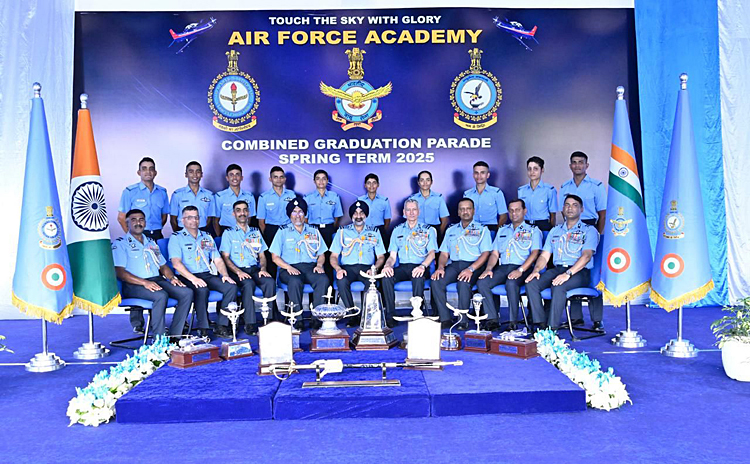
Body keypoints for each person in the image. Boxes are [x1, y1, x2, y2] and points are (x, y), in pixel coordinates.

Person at [525, 194, 600, 330]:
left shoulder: (589, 231)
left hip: (578, 272)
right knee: (532, 283)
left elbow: (586, 256)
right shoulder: (555, 231)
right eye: (567, 205)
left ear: (581, 209)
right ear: (563, 209)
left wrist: (568, 274)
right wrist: (536, 270)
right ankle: (540, 324)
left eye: (575, 205)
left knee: (558, 287)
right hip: (557, 269)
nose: (570, 208)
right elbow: (544, 256)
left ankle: (551, 329)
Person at [112, 209, 192, 337]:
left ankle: (175, 335)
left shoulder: (151, 242)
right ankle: (159, 338)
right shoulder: (120, 244)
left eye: (141, 220)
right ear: (127, 224)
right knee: (161, 295)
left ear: (145, 223)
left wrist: (172, 278)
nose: (138, 223)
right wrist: (144, 282)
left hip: (156, 280)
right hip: (134, 285)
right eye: (134, 220)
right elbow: (120, 272)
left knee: (186, 293)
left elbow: (162, 265)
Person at [169, 206, 237, 339]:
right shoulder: (176, 238)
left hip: (206, 274)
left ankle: (222, 325)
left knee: (231, 287)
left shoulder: (206, 237)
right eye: (189, 218)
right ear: (182, 220)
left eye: (196, 217)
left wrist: (225, 275)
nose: (194, 221)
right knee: (202, 289)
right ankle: (203, 327)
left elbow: (217, 259)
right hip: (187, 276)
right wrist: (193, 279)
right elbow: (176, 263)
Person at [476, 199, 542, 330]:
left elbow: (535, 253)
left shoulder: (533, 230)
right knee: (483, 282)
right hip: (503, 268)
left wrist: (520, 270)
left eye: (517, 210)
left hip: (524, 268)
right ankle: (492, 319)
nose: (514, 213)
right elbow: (495, 254)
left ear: (524, 211)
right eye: (511, 211)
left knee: (511, 283)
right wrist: (488, 268)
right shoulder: (502, 230)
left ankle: (513, 322)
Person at [431, 198, 492, 329]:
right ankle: (445, 318)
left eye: (468, 209)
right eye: (462, 209)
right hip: (454, 265)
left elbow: (486, 254)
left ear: (473, 211)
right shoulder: (451, 230)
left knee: (463, 282)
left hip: (474, 265)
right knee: (436, 281)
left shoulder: (482, 230)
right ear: (458, 212)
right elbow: (444, 254)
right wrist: (440, 267)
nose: (465, 212)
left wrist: (471, 269)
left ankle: (462, 320)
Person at [269, 197, 329, 328]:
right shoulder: (282, 231)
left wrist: (319, 265)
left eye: (301, 212)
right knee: (295, 281)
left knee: (323, 279)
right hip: (288, 268)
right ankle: (297, 318)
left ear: (305, 214)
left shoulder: (314, 231)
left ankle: (317, 317)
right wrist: (288, 267)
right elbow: (275, 257)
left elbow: (321, 253)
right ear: (289, 215)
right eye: (294, 212)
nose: (298, 215)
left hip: (310, 267)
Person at [219, 200, 276, 335]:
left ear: (249, 213)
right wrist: (238, 272)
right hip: (237, 271)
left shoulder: (255, 232)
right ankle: (250, 323)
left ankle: (270, 319)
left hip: (254, 269)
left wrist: (263, 269)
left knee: (269, 282)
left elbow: (262, 255)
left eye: (245, 210)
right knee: (248, 284)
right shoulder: (228, 233)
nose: (242, 213)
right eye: (238, 210)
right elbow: (225, 257)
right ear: (233, 214)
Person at [329, 201, 386, 326]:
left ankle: (367, 315)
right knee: (341, 281)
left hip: (367, 268)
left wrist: (375, 268)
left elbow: (381, 257)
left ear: (366, 215)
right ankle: (352, 314)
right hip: (347, 268)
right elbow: (333, 256)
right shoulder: (342, 232)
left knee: (371, 283)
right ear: (351, 215)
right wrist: (338, 269)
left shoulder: (374, 232)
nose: (358, 216)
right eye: (355, 213)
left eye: (362, 213)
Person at [382, 198, 438, 322]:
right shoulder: (397, 230)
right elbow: (392, 256)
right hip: (403, 267)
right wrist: (387, 266)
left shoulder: (428, 230)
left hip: (421, 266)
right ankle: (390, 315)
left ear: (419, 211)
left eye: (414, 209)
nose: (411, 213)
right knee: (386, 277)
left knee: (418, 277)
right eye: (408, 210)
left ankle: (417, 314)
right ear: (404, 212)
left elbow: (432, 254)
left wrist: (422, 266)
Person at [117, 157, 169, 240]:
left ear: (155, 173)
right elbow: (121, 218)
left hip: (157, 235)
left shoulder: (162, 192)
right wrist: (132, 236)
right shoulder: (129, 192)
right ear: (139, 172)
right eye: (144, 169)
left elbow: (164, 217)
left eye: (151, 169)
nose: (148, 172)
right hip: (138, 234)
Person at [560, 151, 606, 234]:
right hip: (570, 227)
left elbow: (603, 214)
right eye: (574, 162)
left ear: (586, 165)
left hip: (590, 226)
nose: (577, 166)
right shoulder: (564, 187)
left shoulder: (596, 186)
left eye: (580, 162)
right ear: (570, 166)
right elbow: (563, 211)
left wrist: (597, 234)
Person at [169, 161, 216, 234]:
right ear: (186, 174)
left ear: (201, 174)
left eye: (198, 172)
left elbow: (210, 218)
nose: (195, 174)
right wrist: (179, 235)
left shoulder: (209, 195)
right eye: (191, 172)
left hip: (203, 231)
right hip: (183, 231)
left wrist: (203, 234)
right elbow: (173, 219)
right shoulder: (177, 195)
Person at [463, 161, 508, 233]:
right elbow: (464, 216)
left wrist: (497, 233)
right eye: (476, 173)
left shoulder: (497, 193)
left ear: (488, 175)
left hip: (491, 229)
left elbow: (503, 216)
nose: (479, 176)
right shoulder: (467, 194)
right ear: (473, 175)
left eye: (482, 173)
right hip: (472, 230)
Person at [303, 169, 343, 248]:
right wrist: (309, 229)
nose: (321, 181)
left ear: (327, 181)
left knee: (329, 253)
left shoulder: (334, 197)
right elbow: (305, 218)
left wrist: (331, 228)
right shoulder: (307, 198)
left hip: (329, 230)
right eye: (318, 179)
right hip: (313, 230)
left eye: (324, 179)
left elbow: (337, 217)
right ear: (314, 181)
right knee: (314, 252)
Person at [213, 164, 255, 236]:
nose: (234, 177)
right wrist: (219, 236)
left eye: (237, 174)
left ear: (242, 178)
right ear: (227, 178)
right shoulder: (219, 197)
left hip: (243, 231)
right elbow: (215, 220)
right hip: (225, 231)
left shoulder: (249, 196)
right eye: (231, 175)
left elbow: (249, 218)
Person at [517, 156, 557, 232]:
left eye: (535, 169)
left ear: (542, 170)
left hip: (543, 227)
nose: (532, 172)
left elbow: (553, 215)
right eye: (529, 169)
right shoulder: (521, 190)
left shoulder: (549, 190)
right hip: (526, 227)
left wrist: (551, 231)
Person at [408, 170, 449, 240]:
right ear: (418, 182)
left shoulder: (438, 198)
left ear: (431, 182)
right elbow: (408, 219)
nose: (425, 183)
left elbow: (444, 220)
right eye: (422, 180)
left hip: (434, 230)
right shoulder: (412, 199)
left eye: (428, 180)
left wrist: (438, 234)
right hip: (417, 231)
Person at [357, 173, 391, 241]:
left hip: (380, 231)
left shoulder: (384, 200)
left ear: (378, 185)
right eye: (369, 183)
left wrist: (382, 231)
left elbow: (387, 219)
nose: (371, 185)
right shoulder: (360, 200)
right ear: (365, 185)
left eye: (374, 183)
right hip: (364, 231)